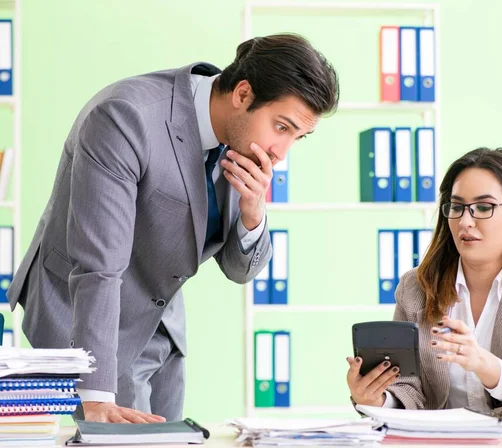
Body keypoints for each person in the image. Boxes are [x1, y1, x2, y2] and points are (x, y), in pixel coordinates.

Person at [8, 33, 339, 423]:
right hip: (89, 316)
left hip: (163, 330)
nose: (281, 154)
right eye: (281, 128)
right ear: (243, 94)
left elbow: (238, 271)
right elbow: (100, 263)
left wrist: (253, 210)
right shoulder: (125, 117)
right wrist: (96, 394)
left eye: (297, 138)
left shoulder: (244, 144)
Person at [346, 148, 502, 418]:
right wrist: (378, 399)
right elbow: (408, 387)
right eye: (457, 207)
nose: (465, 221)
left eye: (483, 207)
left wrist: (485, 365)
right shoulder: (416, 287)